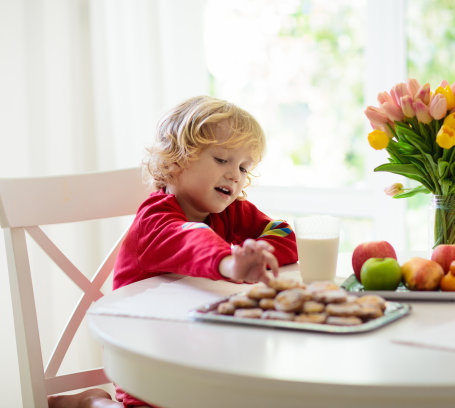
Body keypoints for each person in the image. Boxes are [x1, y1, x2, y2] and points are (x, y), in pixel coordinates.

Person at [49, 95, 298, 408]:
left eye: (244, 167)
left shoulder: (231, 212)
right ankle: (88, 404)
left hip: (202, 357)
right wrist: (230, 262)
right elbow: (191, 240)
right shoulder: (155, 218)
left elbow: (284, 233)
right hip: (147, 363)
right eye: (222, 160)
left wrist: (261, 252)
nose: (235, 175)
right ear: (178, 159)